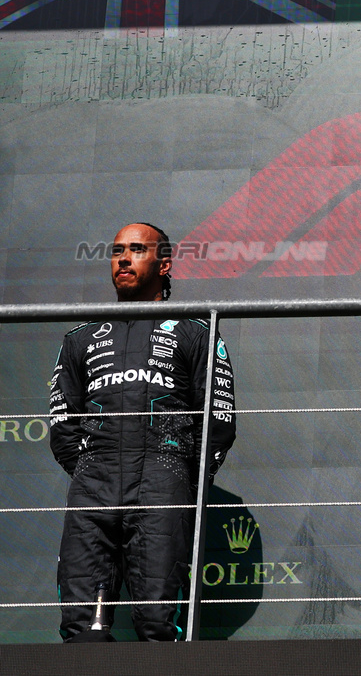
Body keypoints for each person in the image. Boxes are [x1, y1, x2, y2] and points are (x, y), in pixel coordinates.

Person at [48, 223, 235, 641]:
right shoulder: (79, 337)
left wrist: (178, 476)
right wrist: (92, 466)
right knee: (81, 627)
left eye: (137, 249)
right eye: (117, 251)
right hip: (93, 483)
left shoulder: (195, 330)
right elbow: (61, 424)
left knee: (158, 622)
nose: (123, 259)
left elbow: (219, 420)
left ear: (163, 264)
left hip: (162, 481)